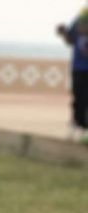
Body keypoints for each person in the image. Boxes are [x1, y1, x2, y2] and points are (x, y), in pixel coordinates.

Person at [57, 6, 88, 140]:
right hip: (78, 68)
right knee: (78, 98)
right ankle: (78, 125)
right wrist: (63, 33)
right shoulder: (79, 19)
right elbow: (70, 40)